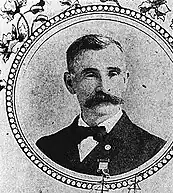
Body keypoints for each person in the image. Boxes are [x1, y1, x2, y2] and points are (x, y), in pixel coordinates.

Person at [36, 34, 166, 176]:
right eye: (91, 74)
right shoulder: (45, 148)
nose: (104, 87)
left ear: (125, 80)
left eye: (113, 74)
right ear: (70, 83)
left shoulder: (155, 151)